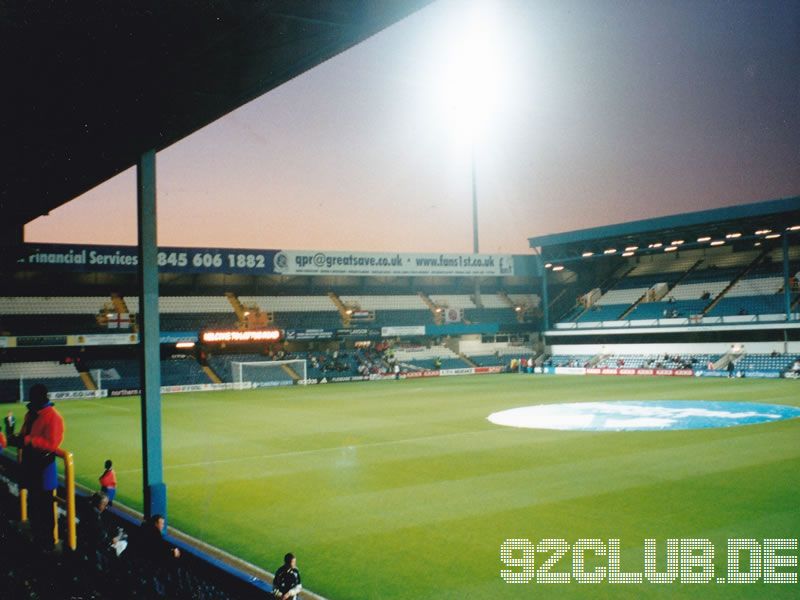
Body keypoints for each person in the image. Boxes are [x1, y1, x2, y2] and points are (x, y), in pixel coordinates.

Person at [10, 383, 65, 547]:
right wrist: (18, 438)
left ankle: (47, 542)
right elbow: (26, 433)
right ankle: (36, 537)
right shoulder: (31, 413)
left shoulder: (53, 417)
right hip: (31, 465)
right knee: (34, 503)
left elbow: (52, 444)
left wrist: (27, 440)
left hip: (44, 468)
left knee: (45, 506)